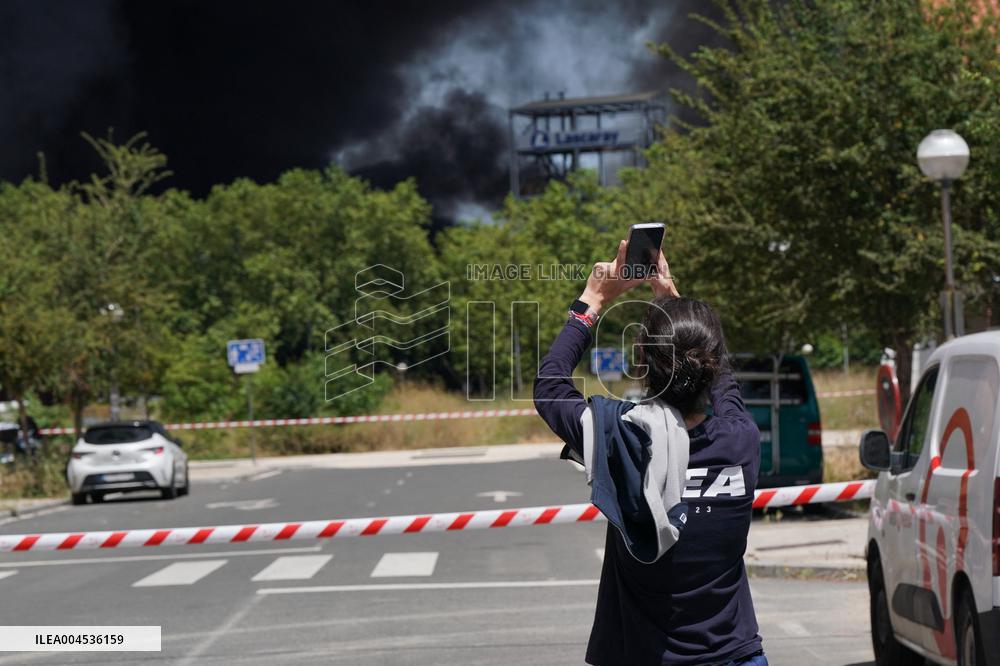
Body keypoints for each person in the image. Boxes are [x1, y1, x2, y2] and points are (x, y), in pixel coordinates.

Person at [533, 239, 767, 666]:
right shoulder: (741, 438)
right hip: (736, 656)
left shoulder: (619, 438)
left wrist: (591, 302)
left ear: (640, 360)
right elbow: (723, 382)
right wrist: (674, 303)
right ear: (711, 363)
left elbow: (550, 387)